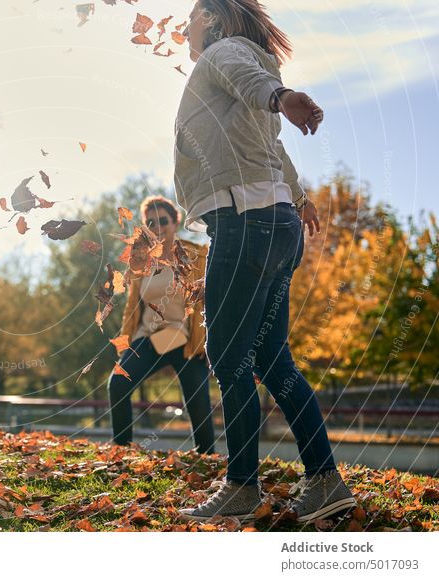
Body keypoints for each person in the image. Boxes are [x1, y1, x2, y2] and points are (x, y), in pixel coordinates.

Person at [174, 0, 356, 524]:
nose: (186, 28)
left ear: (210, 18)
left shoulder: (224, 54)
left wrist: (281, 96)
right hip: (278, 227)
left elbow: (246, 77)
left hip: (245, 223)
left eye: (191, 18)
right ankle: (325, 482)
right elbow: (276, 150)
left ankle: (242, 487)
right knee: (274, 361)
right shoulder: (248, 64)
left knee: (230, 359)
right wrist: (299, 199)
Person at [109, 195, 216, 454]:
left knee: (198, 400)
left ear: (175, 222)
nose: (157, 227)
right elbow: (134, 306)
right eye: (151, 222)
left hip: (186, 338)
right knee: (118, 383)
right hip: (150, 336)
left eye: (163, 221)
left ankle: (207, 457)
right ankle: (122, 450)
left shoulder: (194, 255)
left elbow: (208, 298)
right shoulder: (142, 262)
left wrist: (207, 338)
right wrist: (128, 339)